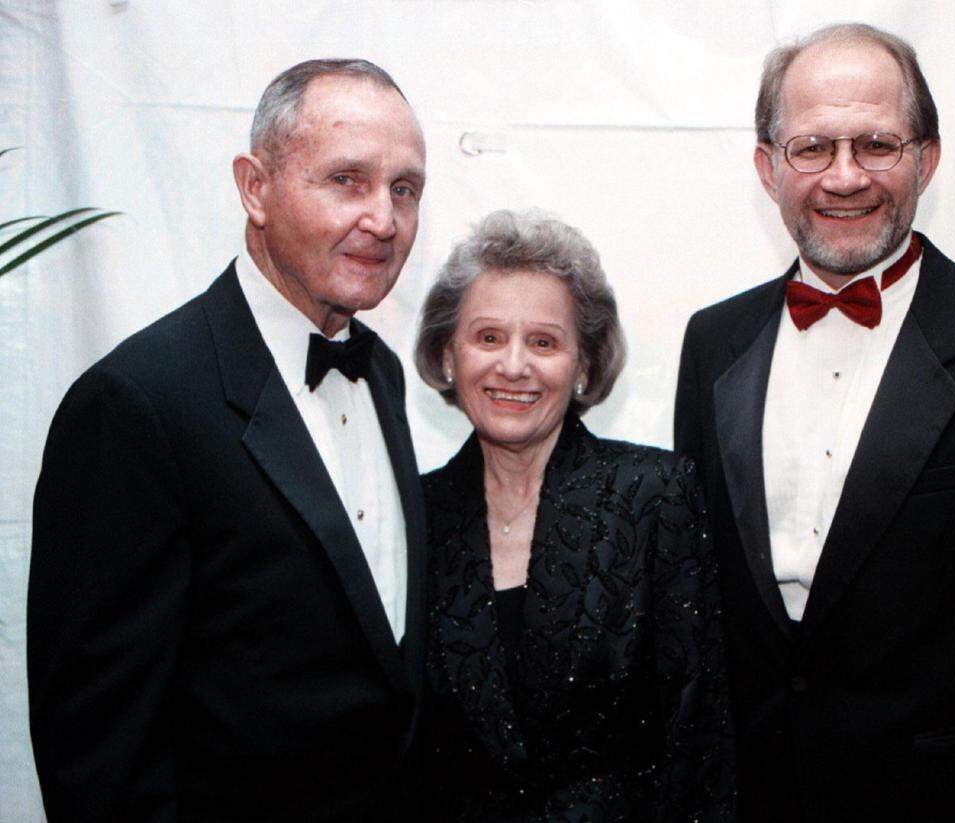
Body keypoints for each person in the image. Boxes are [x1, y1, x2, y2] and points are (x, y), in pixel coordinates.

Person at [674, 23, 955, 823]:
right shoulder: (713, 341)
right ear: (768, 166)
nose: (844, 176)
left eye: (877, 144)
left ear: (927, 158)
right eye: (812, 146)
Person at [28, 59, 428, 821]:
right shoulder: (135, 404)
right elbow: (99, 757)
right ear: (255, 188)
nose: (383, 217)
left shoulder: (381, 372)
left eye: (404, 188)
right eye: (347, 179)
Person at [414, 209, 734, 821]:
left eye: (543, 341)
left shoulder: (654, 496)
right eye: (487, 337)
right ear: (448, 356)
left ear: (583, 366)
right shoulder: (414, 518)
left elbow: (697, 738)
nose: (514, 365)